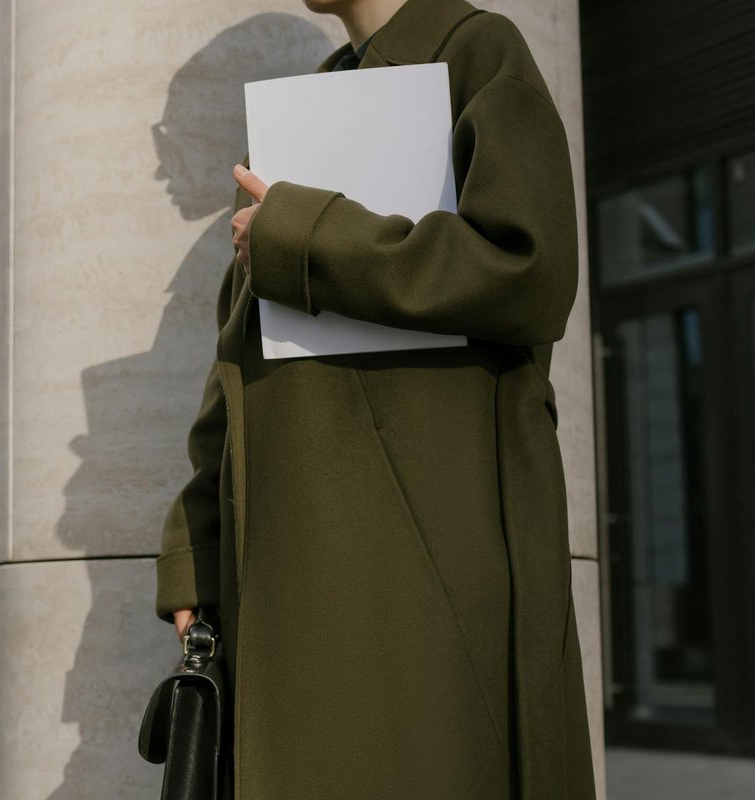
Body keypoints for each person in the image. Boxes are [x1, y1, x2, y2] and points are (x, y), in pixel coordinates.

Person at [154, 0, 598, 797]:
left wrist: (307, 237)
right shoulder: (315, 97)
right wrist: (196, 548)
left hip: (432, 551)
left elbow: (531, 270)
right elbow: (239, 357)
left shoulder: (478, 49)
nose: (161, 160)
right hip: (296, 549)